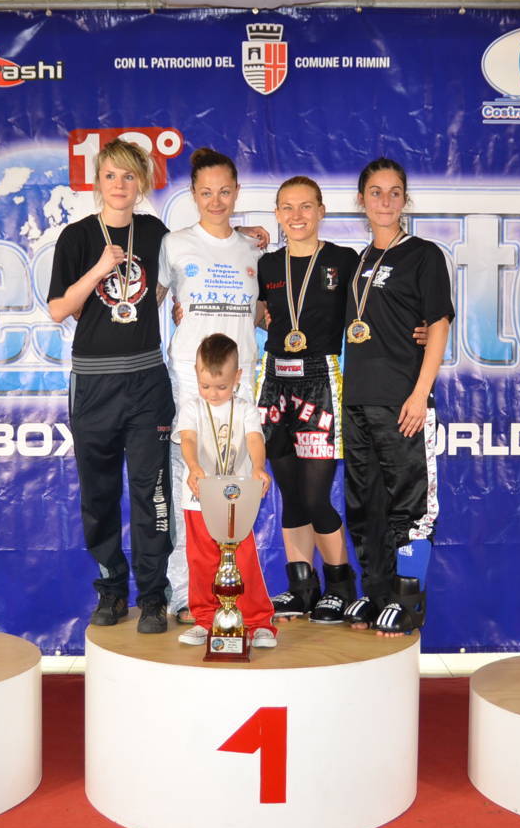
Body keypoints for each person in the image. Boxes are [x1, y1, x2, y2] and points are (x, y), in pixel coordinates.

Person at [47, 138, 173, 634]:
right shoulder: (77, 237)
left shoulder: (156, 233)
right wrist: (99, 269)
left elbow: (189, 262)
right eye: (110, 175)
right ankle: (112, 590)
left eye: (129, 176)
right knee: (98, 494)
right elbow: (59, 309)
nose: (119, 185)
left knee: (151, 494)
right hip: (94, 382)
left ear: (142, 183)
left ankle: (154, 596)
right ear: (97, 181)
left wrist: (246, 236)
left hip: (146, 380)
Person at [341, 158, 453, 636]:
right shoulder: (358, 261)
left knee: (410, 505)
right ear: (361, 200)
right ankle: (377, 596)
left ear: (405, 199)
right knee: (365, 504)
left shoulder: (424, 255)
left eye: (394, 192)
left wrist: (420, 393)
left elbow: (439, 324)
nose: (385, 201)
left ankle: (408, 603)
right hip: (357, 400)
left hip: (403, 400)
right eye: (375, 192)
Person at [159, 147, 267, 624]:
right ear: (193, 194)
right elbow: (151, 299)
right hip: (191, 376)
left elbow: (260, 312)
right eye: (206, 192)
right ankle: (186, 594)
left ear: (237, 192)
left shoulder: (253, 248)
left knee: (237, 481)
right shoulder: (174, 244)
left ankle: (232, 593)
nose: (216, 201)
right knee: (191, 479)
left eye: (225, 191)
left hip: (241, 377)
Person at [254, 177, 360, 623]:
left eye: (305, 206)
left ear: (321, 210)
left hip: (320, 378)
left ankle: (340, 586)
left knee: (316, 497)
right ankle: (302, 587)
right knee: (291, 495)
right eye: (287, 207)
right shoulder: (266, 264)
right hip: (274, 379)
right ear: (277, 214)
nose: (296, 216)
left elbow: (370, 308)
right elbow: (258, 314)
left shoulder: (343, 260)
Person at [174, 333, 276, 647]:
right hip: (198, 498)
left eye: (221, 386)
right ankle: (205, 619)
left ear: (238, 377)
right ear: (196, 374)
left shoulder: (245, 409)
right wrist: (194, 466)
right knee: (201, 560)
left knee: (243, 561)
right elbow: (188, 439)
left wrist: (258, 466)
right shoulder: (191, 408)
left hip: (236, 501)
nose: (213, 393)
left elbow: (254, 439)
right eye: (205, 386)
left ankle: (258, 622)